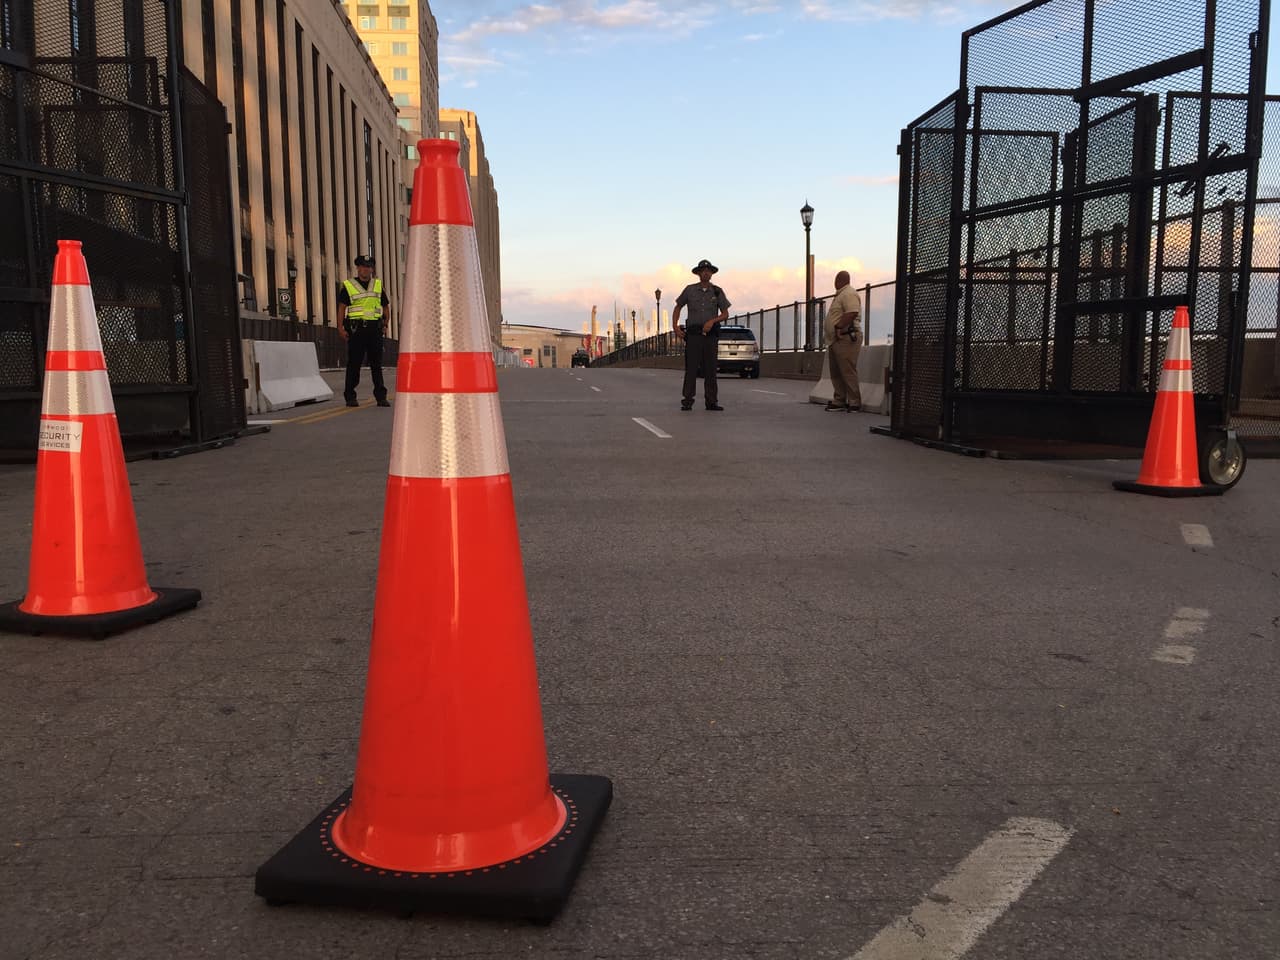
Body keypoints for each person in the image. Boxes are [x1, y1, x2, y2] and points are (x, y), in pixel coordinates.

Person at [672, 258, 731, 411]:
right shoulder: (690, 290)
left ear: (711, 273)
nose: (706, 273)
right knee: (691, 368)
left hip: (710, 336)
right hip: (693, 335)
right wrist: (675, 327)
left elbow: (725, 313)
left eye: (708, 271)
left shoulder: (717, 291)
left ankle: (711, 402)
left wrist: (712, 321)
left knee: (710, 369)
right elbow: (678, 307)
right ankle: (687, 400)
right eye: (703, 271)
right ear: (698, 273)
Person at [338, 254, 392, 407]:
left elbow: (385, 307)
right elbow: (342, 308)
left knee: (376, 364)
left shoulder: (377, 285)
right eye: (362, 266)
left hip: (375, 329)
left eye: (368, 266)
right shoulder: (348, 286)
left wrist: (385, 323)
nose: (365, 269)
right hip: (356, 329)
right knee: (354, 363)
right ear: (358, 268)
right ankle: (350, 396)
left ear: (372, 269)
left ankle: (381, 397)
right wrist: (340, 327)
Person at [824, 270, 862, 412]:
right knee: (836, 371)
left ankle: (854, 402)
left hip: (846, 336)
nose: (835, 282)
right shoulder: (840, 295)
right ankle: (839, 399)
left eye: (837, 279)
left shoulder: (849, 293)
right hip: (835, 339)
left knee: (847, 370)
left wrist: (839, 326)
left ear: (841, 280)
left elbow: (852, 312)